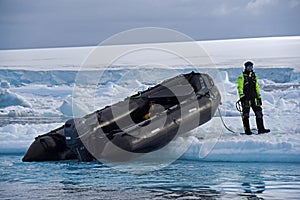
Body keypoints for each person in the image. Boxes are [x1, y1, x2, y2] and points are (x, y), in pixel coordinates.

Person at [237, 61, 270, 135]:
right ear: (245, 67)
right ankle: (247, 131)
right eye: (248, 67)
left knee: (259, 113)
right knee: (246, 115)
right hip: (246, 98)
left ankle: (261, 129)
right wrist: (242, 97)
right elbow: (240, 88)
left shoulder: (254, 76)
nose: (250, 68)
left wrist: (259, 97)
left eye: (251, 67)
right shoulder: (241, 77)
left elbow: (257, 87)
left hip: (254, 98)